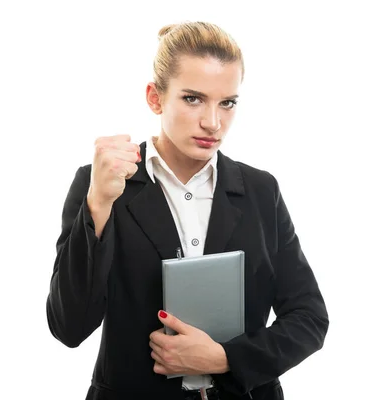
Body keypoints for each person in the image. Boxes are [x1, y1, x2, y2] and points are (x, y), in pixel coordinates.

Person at [46, 21, 329, 400]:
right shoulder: (100, 183)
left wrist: (226, 358)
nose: (213, 122)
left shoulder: (261, 190)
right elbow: (69, 326)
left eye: (227, 102)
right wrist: (98, 204)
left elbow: (309, 319)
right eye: (193, 98)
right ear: (155, 97)